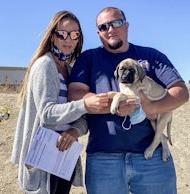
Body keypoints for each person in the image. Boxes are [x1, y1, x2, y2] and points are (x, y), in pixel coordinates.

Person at [68, 7, 189, 194]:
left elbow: (181, 92)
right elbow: (75, 94)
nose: (110, 29)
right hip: (103, 160)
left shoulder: (151, 56)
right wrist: (114, 105)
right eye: (104, 26)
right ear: (98, 32)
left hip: (152, 160)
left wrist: (151, 107)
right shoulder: (88, 58)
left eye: (116, 23)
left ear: (126, 25)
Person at [11, 10, 108, 194]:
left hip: (63, 158)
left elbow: (82, 119)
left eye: (74, 34)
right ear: (53, 36)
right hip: (42, 158)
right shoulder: (45, 65)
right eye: (62, 34)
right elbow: (47, 114)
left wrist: (74, 130)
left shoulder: (71, 71)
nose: (68, 39)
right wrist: (85, 104)